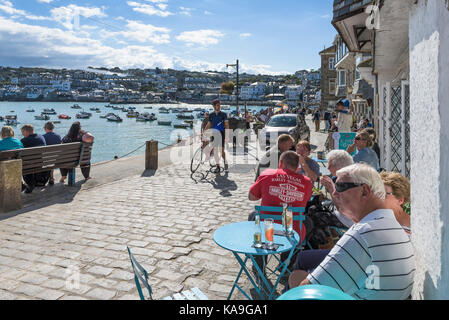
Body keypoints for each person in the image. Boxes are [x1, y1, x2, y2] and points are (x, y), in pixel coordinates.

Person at [288, 163, 415, 300]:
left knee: (297, 281)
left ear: (365, 191)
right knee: (297, 275)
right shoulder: (392, 226)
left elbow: (306, 294)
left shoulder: (363, 233)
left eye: (341, 187)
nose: (335, 193)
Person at [249, 151, 313, 242]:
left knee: (253, 215)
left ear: (281, 163)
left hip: (266, 230)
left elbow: (251, 197)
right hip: (293, 233)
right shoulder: (307, 182)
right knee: (308, 222)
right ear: (297, 166)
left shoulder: (267, 174)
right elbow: (306, 200)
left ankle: (259, 254)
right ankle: (290, 255)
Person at [320, 150, 355, 228]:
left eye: (330, 165)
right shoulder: (349, 175)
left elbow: (342, 208)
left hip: (347, 220)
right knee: (321, 203)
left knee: (313, 214)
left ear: (339, 166)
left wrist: (330, 188)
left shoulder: (345, 182)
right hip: (350, 216)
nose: (328, 168)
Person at [204, 100, 229, 173]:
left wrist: (227, 135)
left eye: (219, 105)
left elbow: (227, 125)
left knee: (221, 151)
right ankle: (218, 166)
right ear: (214, 106)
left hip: (222, 133)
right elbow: (209, 124)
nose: (219, 106)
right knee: (215, 151)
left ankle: (225, 162)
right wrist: (204, 132)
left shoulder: (223, 114)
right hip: (214, 134)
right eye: (217, 105)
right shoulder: (211, 115)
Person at [20, 124, 47, 193]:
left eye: (22, 132)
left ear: (27, 131)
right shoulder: (41, 137)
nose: (22, 134)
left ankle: (29, 184)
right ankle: (33, 183)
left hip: (29, 165)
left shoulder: (24, 140)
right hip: (41, 163)